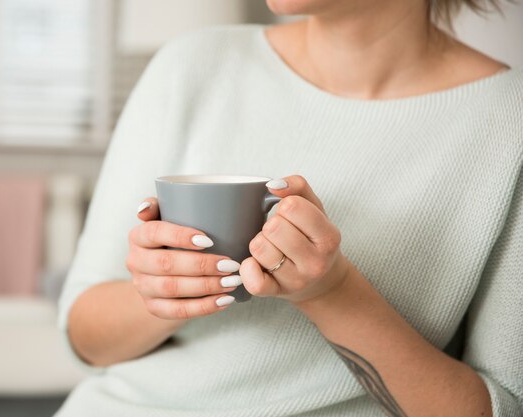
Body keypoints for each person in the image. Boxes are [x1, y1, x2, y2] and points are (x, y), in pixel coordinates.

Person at [54, 0, 523, 416]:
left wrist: (330, 292)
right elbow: (82, 339)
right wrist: (161, 289)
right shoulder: (191, 65)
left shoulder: (509, 121)